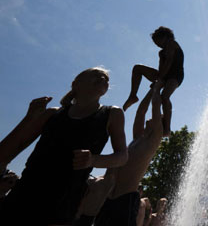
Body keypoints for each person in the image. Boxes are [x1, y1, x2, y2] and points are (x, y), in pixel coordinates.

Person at [0, 67, 128, 225]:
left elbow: (122, 157)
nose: (104, 79)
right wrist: (29, 119)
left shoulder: (112, 114)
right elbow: (5, 153)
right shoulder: (52, 114)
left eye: (106, 79)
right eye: (96, 75)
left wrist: (93, 160)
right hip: (24, 196)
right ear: (76, 84)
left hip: (64, 202)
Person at [95, 88, 164, 226]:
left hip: (125, 199)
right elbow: (141, 111)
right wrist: (152, 89)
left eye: (155, 119)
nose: (149, 119)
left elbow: (156, 109)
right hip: (106, 197)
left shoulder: (153, 141)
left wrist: (158, 90)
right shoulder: (138, 137)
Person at [123, 26, 184, 137]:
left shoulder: (172, 44)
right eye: (155, 43)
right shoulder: (161, 53)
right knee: (137, 68)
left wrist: (160, 79)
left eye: (158, 41)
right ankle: (133, 96)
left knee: (164, 97)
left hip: (175, 75)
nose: (157, 45)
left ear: (165, 37)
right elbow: (161, 67)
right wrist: (158, 79)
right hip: (164, 75)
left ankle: (167, 128)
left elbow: (169, 62)